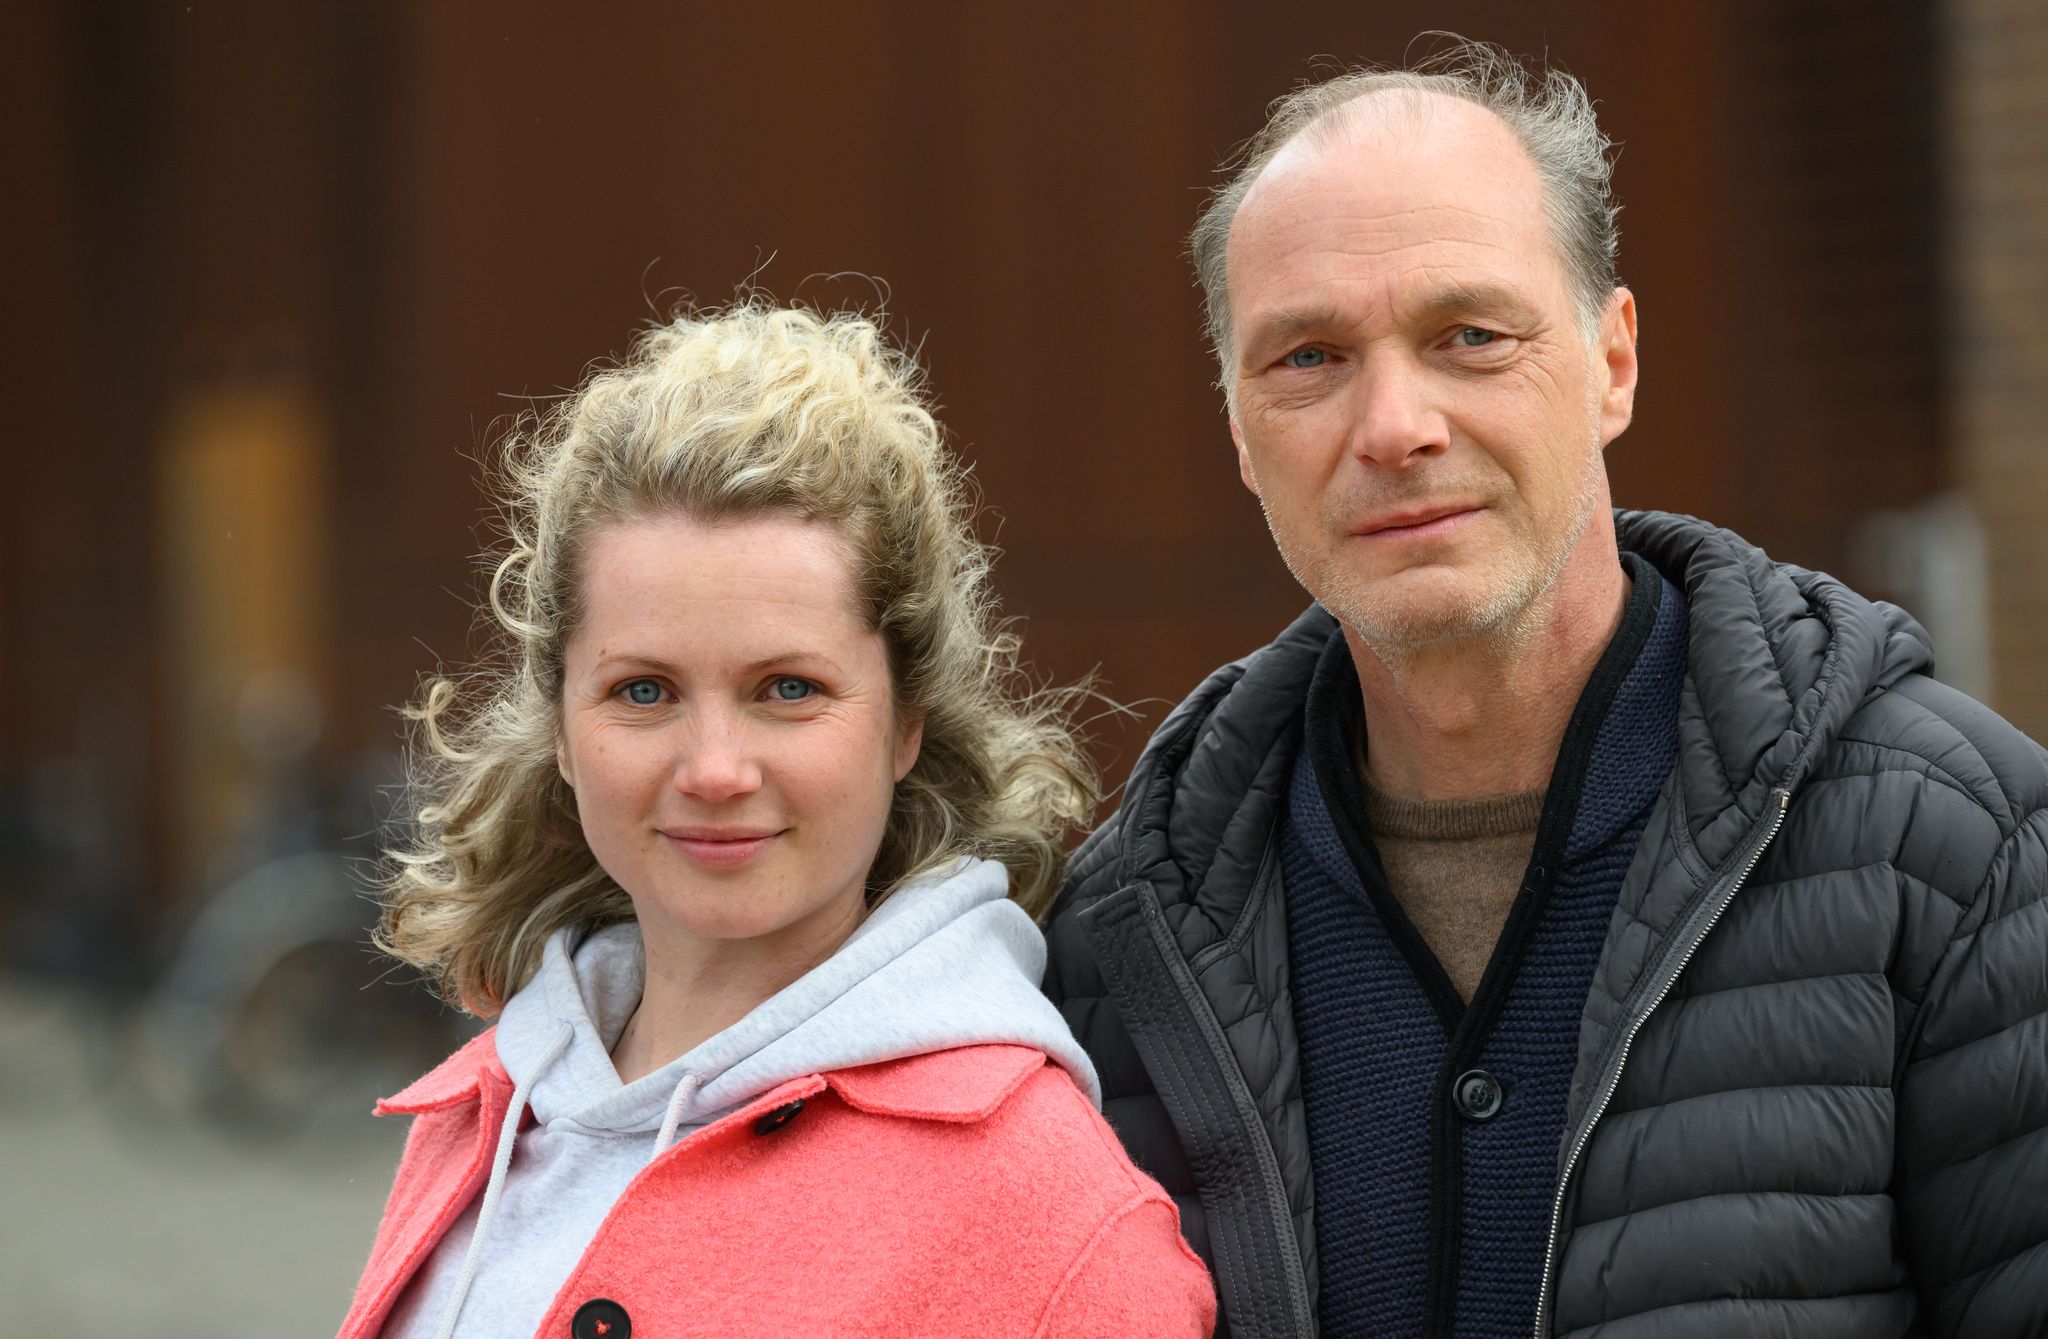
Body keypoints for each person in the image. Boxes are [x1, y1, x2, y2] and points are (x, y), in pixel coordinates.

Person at [1044, 38, 2048, 1339]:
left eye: (1468, 334)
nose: (1395, 423)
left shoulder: (1957, 844)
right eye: (1308, 358)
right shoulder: (1128, 933)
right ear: (1239, 427)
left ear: (1612, 360)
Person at [339, 303, 1216, 1339]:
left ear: (904, 727)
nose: (713, 768)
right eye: (643, 691)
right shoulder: (482, 1111)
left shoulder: (1058, 1226)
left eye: (788, 689)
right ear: (562, 733)